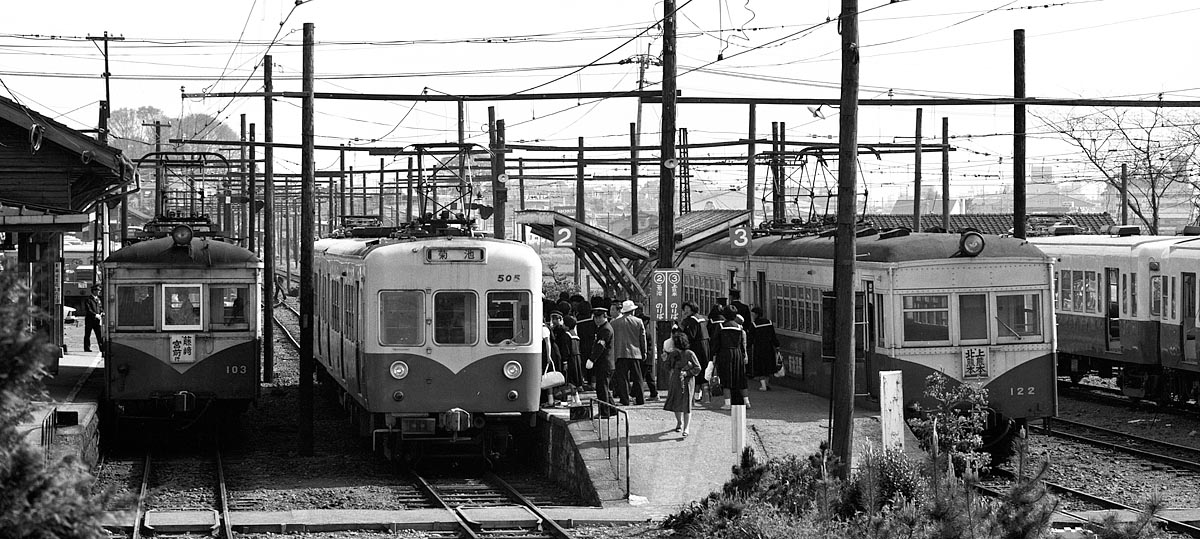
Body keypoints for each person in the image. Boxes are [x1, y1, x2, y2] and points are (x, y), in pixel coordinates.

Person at [663, 328, 701, 437]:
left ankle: (686, 427)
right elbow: (667, 367)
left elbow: (698, 368)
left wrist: (688, 373)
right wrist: (665, 359)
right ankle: (679, 422)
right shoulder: (673, 354)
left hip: (687, 380)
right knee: (676, 402)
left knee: (686, 403)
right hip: (675, 379)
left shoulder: (690, 354)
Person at [610, 299, 649, 405]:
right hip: (635, 353)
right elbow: (642, 338)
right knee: (638, 377)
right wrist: (644, 351)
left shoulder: (614, 323)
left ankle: (624, 399)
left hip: (620, 353)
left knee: (622, 378)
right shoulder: (638, 321)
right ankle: (640, 399)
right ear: (632, 311)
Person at [712, 305, 749, 409]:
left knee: (726, 378)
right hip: (737, 353)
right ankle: (746, 401)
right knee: (740, 377)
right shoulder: (739, 327)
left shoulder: (721, 326)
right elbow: (742, 344)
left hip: (725, 353)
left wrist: (714, 355)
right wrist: (743, 355)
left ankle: (727, 403)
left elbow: (716, 342)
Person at [679, 302, 711, 403]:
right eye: (685, 308)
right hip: (705, 345)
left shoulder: (691, 321)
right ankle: (704, 397)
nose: (686, 310)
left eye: (688, 308)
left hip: (697, 346)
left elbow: (690, 336)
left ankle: (696, 396)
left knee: (696, 368)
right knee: (704, 369)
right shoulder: (701, 318)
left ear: (693, 308)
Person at [588, 307, 616, 416]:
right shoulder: (602, 328)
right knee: (604, 388)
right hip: (605, 364)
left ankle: (604, 412)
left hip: (605, 363)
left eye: (599, 317)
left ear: (605, 316)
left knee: (602, 389)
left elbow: (600, 346)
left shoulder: (605, 329)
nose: (597, 319)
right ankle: (612, 409)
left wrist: (592, 359)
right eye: (595, 317)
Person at [750, 306, 782, 391]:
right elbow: (773, 336)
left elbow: (750, 338)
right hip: (769, 347)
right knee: (768, 366)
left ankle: (763, 385)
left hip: (758, 348)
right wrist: (777, 345)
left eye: (753, 314)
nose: (752, 316)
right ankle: (767, 384)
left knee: (760, 367)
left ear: (756, 314)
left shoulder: (754, 325)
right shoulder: (769, 323)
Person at [83, 284, 104, 352]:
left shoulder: (98, 299)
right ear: (94, 291)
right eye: (98, 290)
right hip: (90, 320)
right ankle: (87, 348)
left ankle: (102, 348)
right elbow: (88, 310)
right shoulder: (88, 299)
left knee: (99, 334)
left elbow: (100, 308)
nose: (99, 292)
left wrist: (102, 312)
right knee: (87, 334)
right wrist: (95, 315)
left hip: (97, 320)